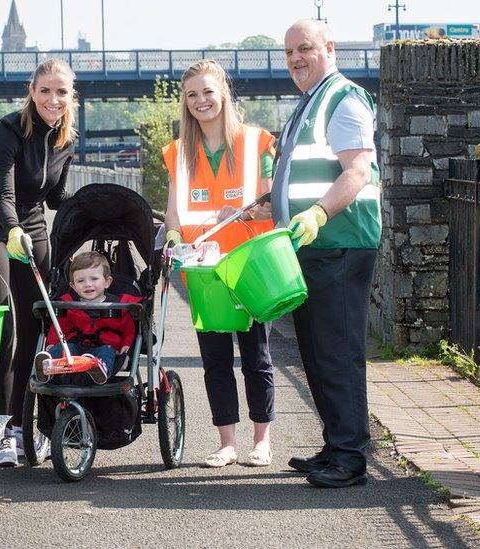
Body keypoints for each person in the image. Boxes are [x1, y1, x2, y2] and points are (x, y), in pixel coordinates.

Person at [273, 20, 382, 488]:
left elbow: (357, 171)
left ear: (329, 48)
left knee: (336, 351)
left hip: (338, 243)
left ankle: (350, 457)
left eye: (305, 48)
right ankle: (335, 442)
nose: (296, 58)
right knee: (316, 352)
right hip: (312, 245)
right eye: (290, 52)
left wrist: (317, 213)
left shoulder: (343, 98)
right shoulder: (311, 101)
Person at [162, 59, 277, 469]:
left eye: (208, 91)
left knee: (255, 356)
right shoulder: (178, 152)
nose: (200, 101)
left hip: (246, 265)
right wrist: (173, 236)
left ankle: (261, 440)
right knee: (214, 360)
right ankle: (226, 442)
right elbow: (173, 213)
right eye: (191, 94)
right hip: (203, 271)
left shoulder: (256, 142)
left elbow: (272, 209)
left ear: (223, 93)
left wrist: (244, 213)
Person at [0, 58, 76, 467]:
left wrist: (95, 206)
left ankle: (28, 428)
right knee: (4, 327)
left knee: (36, 323)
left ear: (70, 95)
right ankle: (5, 431)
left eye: (61, 91)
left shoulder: (66, 139)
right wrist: (12, 230)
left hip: (30, 223)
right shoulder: (8, 130)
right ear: (32, 91)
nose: (53, 99)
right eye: (44, 90)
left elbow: (55, 199)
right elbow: (3, 193)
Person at [34, 251, 141, 385]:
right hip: (75, 349)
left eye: (94, 279)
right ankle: (47, 367)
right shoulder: (67, 304)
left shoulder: (119, 305)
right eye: (80, 281)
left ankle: (98, 370)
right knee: (65, 348)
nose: (87, 284)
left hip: (105, 347)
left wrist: (126, 344)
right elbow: (59, 326)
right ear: (73, 286)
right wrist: (51, 343)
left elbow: (128, 328)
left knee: (107, 352)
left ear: (107, 282)